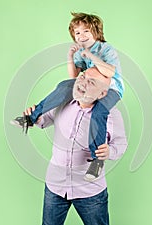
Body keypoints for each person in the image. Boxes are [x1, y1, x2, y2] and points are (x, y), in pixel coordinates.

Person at [11, 12, 124, 181]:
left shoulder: (105, 49)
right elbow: (74, 78)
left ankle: (97, 160)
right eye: (77, 33)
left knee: (99, 112)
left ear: (96, 32)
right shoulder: (80, 52)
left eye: (86, 31)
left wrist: (92, 56)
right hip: (87, 86)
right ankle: (31, 118)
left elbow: (110, 72)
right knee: (64, 86)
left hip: (111, 89)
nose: (81, 36)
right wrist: (70, 58)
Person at [24, 67, 127, 225]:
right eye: (83, 76)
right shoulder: (62, 102)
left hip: (89, 191)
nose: (83, 83)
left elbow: (120, 144)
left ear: (102, 94)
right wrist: (34, 117)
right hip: (55, 185)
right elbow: (45, 120)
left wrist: (109, 152)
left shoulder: (112, 115)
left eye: (91, 82)